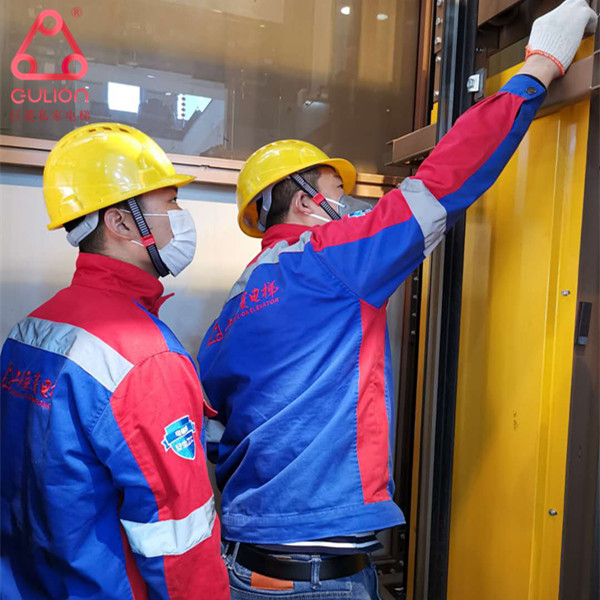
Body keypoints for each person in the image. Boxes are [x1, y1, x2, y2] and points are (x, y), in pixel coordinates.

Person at [196, 1, 597, 598]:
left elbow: (208, 427)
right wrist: (538, 67)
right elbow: (443, 180)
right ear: (304, 201)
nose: (350, 206)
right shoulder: (328, 259)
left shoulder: (236, 303)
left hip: (251, 562)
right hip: (316, 577)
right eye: (337, 191)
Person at [1, 123, 230, 600]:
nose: (181, 218)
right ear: (122, 223)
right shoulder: (148, 358)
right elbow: (179, 545)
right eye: (171, 202)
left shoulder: (30, 330)